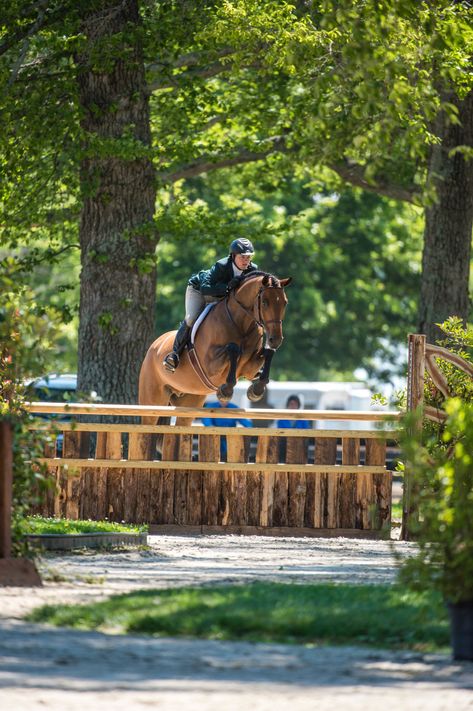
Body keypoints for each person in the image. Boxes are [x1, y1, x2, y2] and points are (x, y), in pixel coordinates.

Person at [163, 238, 258, 372]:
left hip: (223, 297)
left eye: (248, 257)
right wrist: (227, 287)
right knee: (191, 318)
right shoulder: (222, 266)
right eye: (242, 257)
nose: (246, 261)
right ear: (233, 256)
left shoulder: (252, 270)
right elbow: (205, 288)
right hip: (199, 290)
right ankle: (174, 354)